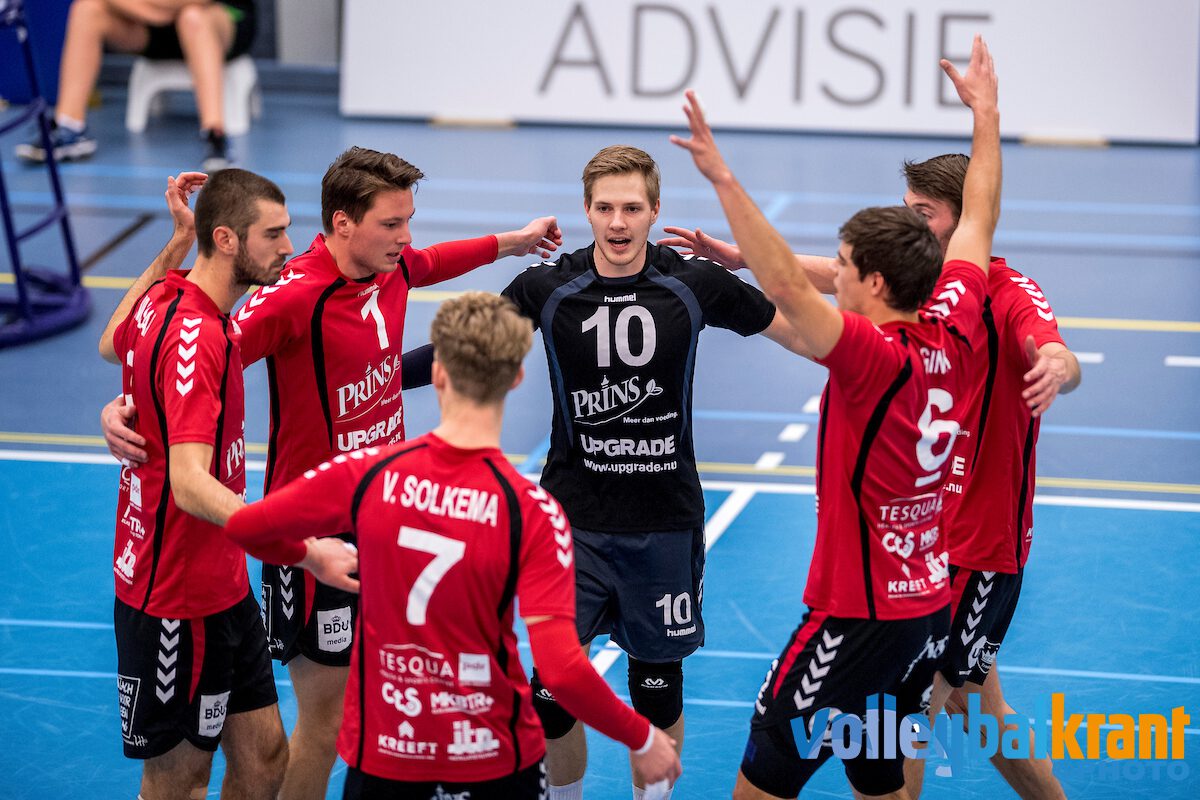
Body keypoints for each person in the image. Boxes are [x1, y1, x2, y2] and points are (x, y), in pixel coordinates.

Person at [661, 74, 1079, 800]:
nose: (837, 277)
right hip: (925, 603)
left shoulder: (873, 360)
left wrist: (722, 177)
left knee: (770, 764)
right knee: (882, 767)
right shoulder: (955, 323)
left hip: (856, 612)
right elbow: (978, 217)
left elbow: (790, 287)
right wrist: (987, 116)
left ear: (878, 284)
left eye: (847, 267)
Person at [100, 146, 563, 800]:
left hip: (378, 520)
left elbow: (436, 260)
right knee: (326, 722)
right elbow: (186, 349)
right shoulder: (291, 296)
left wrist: (514, 241)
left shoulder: (392, 267)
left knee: (291, 743)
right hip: (309, 530)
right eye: (392, 223)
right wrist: (127, 405)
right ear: (344, 224)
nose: (406, 237)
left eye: (409, 220)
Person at [440, 144, 805, 800]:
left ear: (655, 210)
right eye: (605, 208)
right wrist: (384, 372)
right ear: (586, 210)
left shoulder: (693, 284)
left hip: (663, 522)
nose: (617, 222)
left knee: (656, 695)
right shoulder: (547, 287)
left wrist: (880, 358)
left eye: (632, 208)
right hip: (569, 525)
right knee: (551, 698)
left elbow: (803, 333)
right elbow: (464, 352)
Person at [222, 291, 683, 800]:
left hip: (388, 758)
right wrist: (641, 737)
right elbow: (560, 669)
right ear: (515, 377)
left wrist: (310, 556)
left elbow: (246, 527)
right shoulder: (532, 512)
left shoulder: (369, 474)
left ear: (438, 373)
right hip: (493, 760)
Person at [98, 167, 316, 799]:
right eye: (272, 234)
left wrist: (177, 240)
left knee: (265, 757)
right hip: (176, 594)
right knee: (179, 778)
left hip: (222, 583)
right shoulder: (200, 340)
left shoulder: (169, 295)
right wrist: (300, 547)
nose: (287, 246)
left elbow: (113, 344)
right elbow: (190, 485)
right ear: (226, 240)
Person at [16, 0, 256, 170]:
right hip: (150, 19)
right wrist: (149, 9)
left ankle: (215, 134)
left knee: (192, 16)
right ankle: (70, 128)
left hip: (216, 18)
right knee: (87, 9)